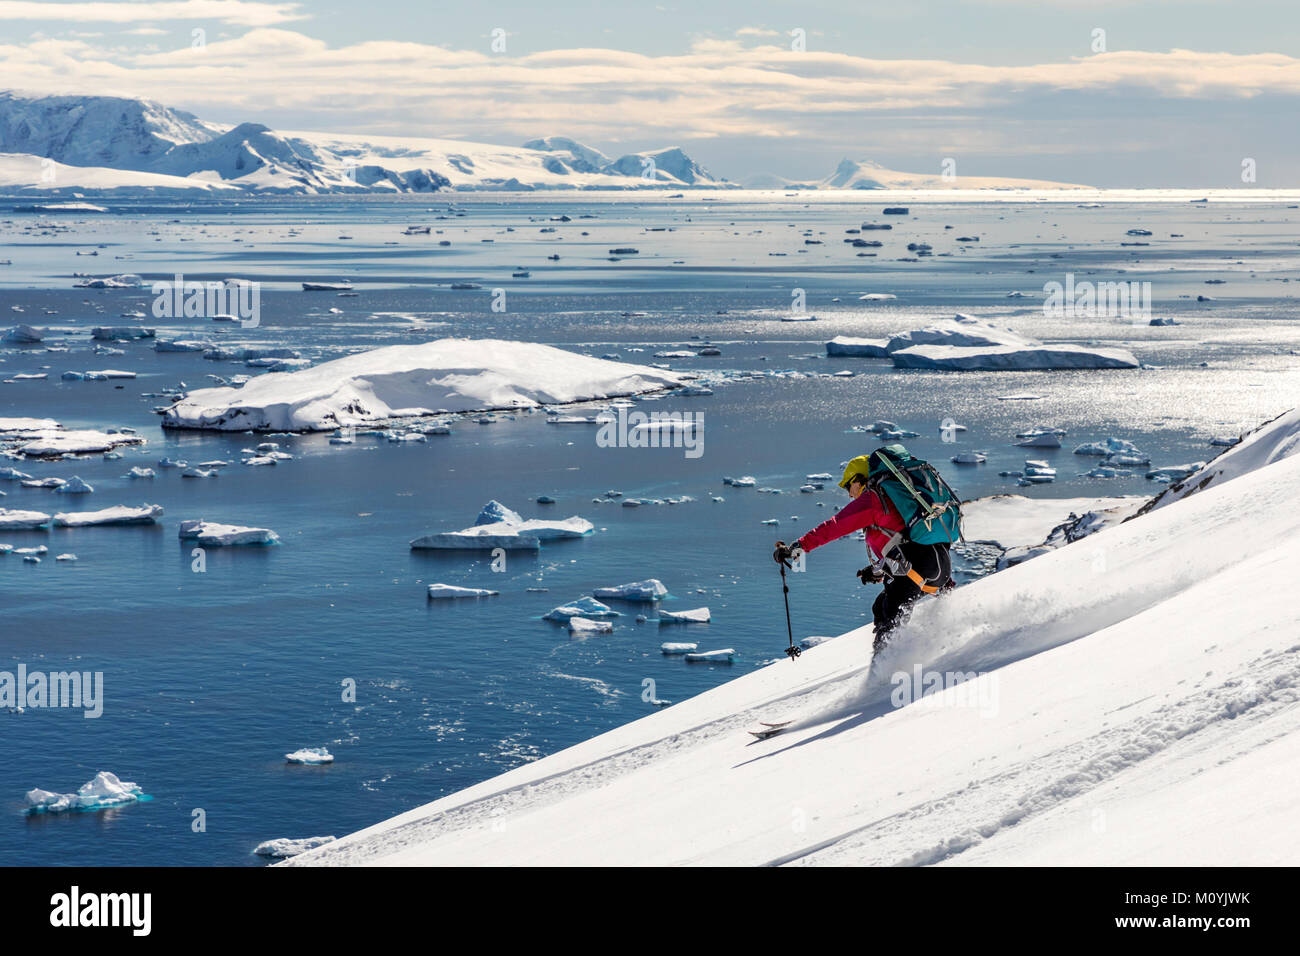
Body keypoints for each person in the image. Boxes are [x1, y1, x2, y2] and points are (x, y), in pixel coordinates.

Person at [774, 454, 952, 650]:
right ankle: (921, 655)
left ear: (859, 480)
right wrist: (878, 570)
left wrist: (798, 547)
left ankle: (884, 673)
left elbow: (834, 527)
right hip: (937, 565)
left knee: (889, 619)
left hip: (916, 569)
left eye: (848, 486)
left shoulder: (873, 499)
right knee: (881, 607)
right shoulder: (895, 497)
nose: (850, 494)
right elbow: (902, 541)